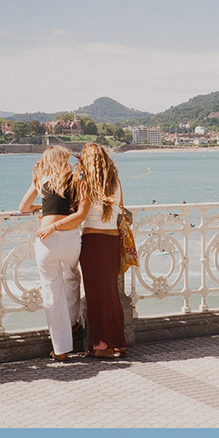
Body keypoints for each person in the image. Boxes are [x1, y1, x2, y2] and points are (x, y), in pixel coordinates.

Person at [19, 145, 85, 362]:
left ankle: (61, 349)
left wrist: (42, 209)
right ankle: (73, 322)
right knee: (73, 278)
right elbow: (77, 212)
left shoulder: (42, 178)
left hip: (47, 239)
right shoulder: (76, 179)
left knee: (51, 291)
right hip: (71, 237)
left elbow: (23, 207)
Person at [73, 143, 131, 358]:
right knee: (111, 295)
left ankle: (103, 346)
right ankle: (119, 343)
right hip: (112, 241)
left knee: (96, 297)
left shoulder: (85, 184)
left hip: (93, 242)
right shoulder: (115, 182)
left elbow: (79, 214)